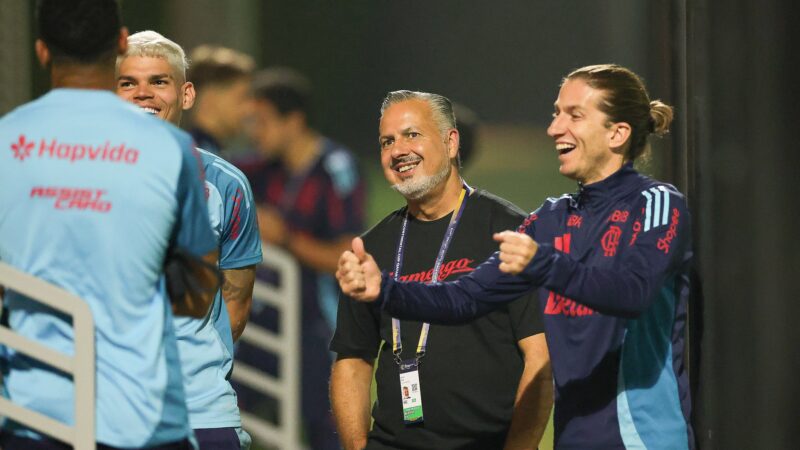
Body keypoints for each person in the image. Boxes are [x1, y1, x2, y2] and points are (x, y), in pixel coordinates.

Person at [338, 66, 695, 450]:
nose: (555, 128)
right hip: (574, 439)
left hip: (644, 438)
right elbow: (463, 299)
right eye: (556, 113)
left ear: (617, 133)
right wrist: (384, 290)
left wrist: (544, 264)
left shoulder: (657, 203)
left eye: (574, 115)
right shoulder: (551, 219)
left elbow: (633, 293)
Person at [0, 1, 218, 449]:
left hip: (32, 411)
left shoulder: (6, 142)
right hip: (143, 415)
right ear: (121, 42)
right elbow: (199, 291)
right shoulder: (171, 149)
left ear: (42, 51)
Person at [330, 90, 552, 450]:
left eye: (412, 135)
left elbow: (540, 358)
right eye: (387, 141)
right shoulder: (370, 249)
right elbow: (352, 359)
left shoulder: (511, 231)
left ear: (451, 143)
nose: (398, 150)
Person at [116, 30, 262, 450]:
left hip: (200, 409)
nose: (144, 94)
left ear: (186, 94)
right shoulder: (74, 181)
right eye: (129, 83)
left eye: (159, 82)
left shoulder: (225, 185)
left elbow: (236, 301)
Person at [236, 67, 366, 450]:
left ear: (293, 121)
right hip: (264, 322)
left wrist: (286, 239)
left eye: (260, 122)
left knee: (328, 431)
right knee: (217, 408)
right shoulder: (262, 167)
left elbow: (347, 254)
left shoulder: (336, 168)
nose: (253, 133)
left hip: (317, 327)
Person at [186, 45, 255, 156]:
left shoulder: (210, 152)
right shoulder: (196, 159)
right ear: (210, 99)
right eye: (242, 97)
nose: (250, 108)